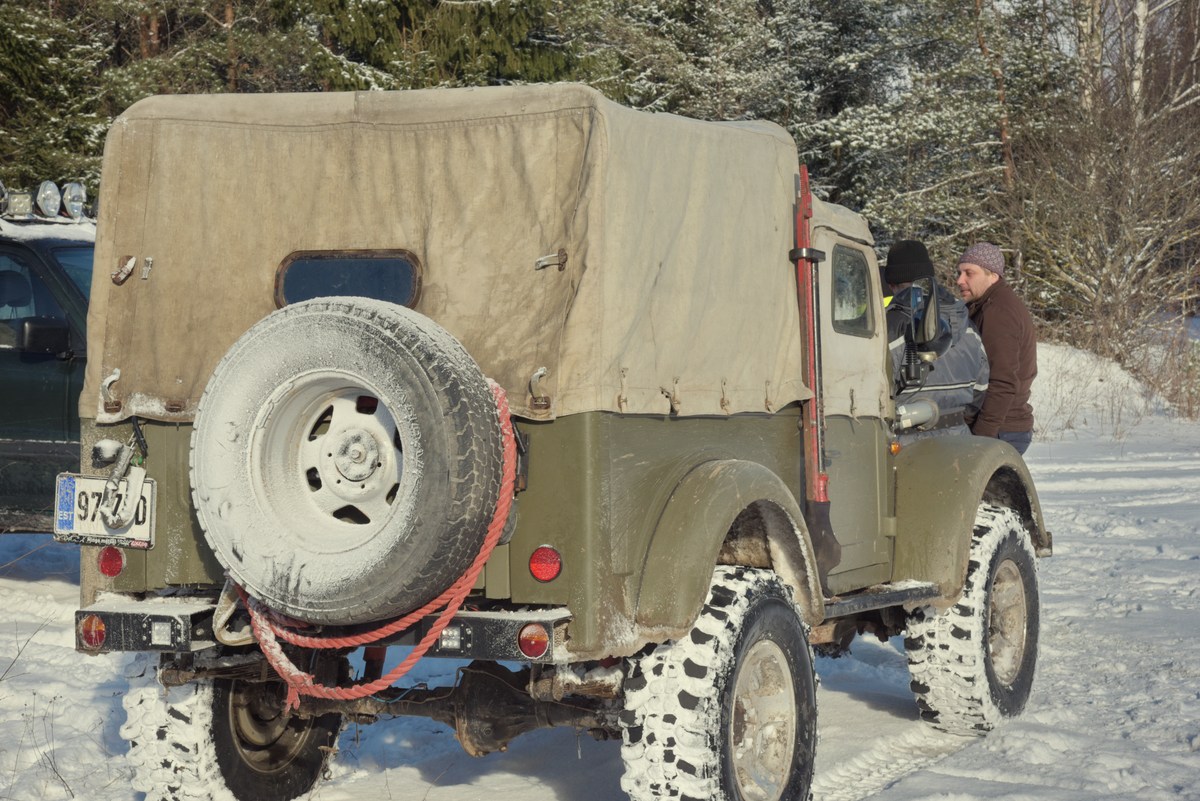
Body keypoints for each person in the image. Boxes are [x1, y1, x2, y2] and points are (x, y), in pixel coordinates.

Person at [883, 240, 988, 433]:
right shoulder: (967, 325)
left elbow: (875, 395)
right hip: (958, 441)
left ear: (891, 284)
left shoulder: (890, 328)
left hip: (906, 445)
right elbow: (980, 390)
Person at [955, 242, 1037, 454]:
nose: (959, 280)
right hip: (1000, 428)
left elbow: (1002, 382)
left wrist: (980, 440)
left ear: (992, 275)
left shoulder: (997, 312)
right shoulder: (989, 304)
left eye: (968, 273)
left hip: (1000, 430)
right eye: (959, 272)